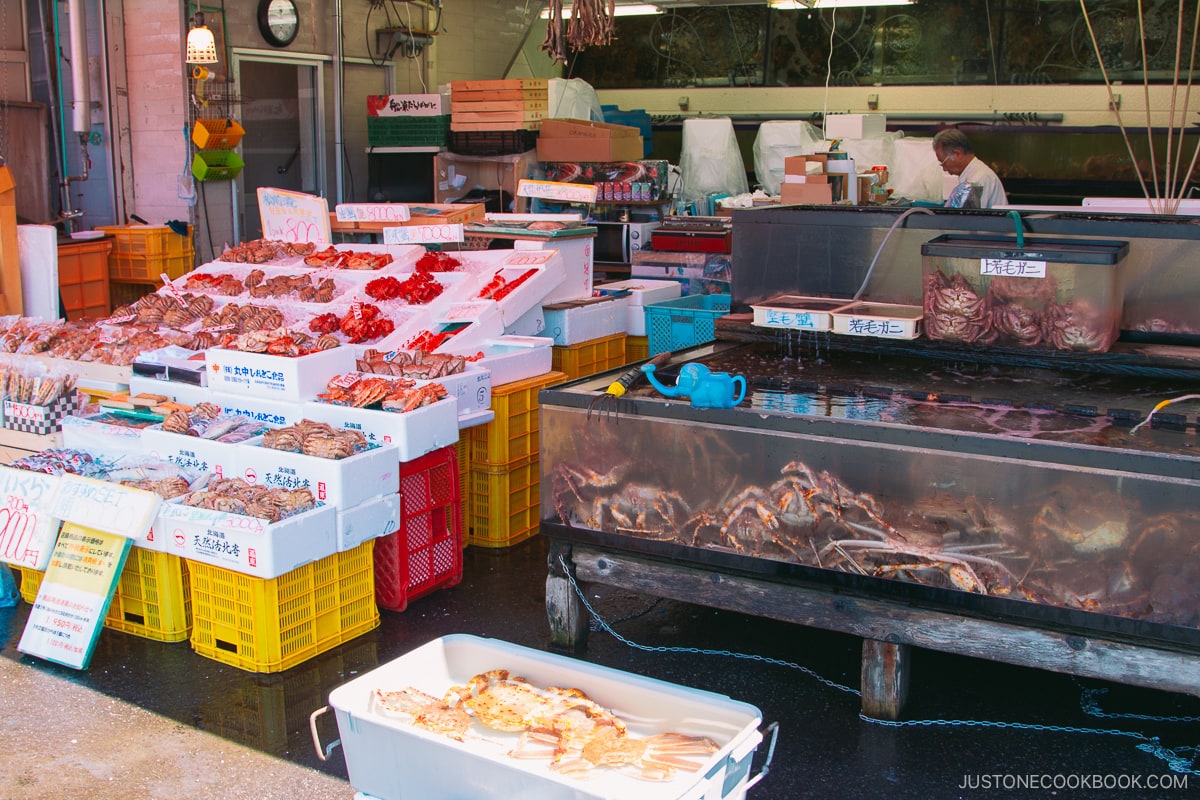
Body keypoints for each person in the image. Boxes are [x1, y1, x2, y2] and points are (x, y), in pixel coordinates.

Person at [932, 129, 1008, 208]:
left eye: (944, 163)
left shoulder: (977, 180)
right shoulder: (973, 175)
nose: (944, 169)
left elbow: (965, 218)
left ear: (957, 154)